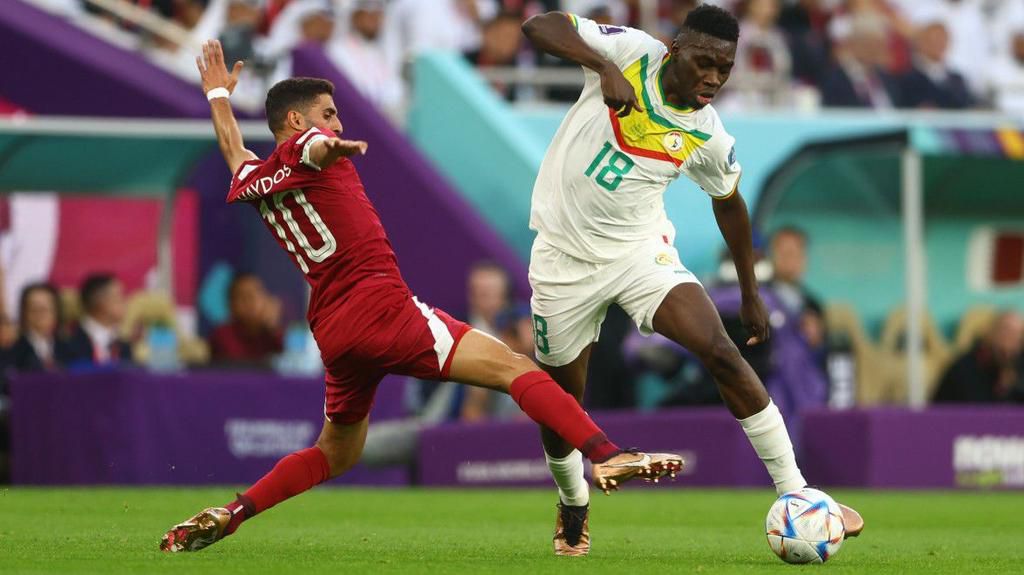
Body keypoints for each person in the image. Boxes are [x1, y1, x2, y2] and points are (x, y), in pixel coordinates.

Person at [160, 40, 682, 553]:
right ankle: (608, 453)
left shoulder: (257, 177)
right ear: (296, 122)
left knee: (336, 453)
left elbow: (234, 152)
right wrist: (330, 148)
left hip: (334, 329)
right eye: (328, 113)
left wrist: (218, 98)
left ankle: (234, 513)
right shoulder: (306, 147)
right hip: (380, 307)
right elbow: (313, 147)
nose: (339, 124)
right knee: (514, 367)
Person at [520, 5, 863, 556]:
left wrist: (752, 292)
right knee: (561, 401)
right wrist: (600, 66)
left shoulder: (708, 135)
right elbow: (539, 26)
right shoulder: (630, 52)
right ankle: (573, 499)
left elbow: (730, 204)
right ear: (675, 50)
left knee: (721, 350)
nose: (713, 78)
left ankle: (797, 492)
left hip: (639, 253)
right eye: (704, 62)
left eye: (724, 70)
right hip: (563, 258)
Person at [934, 311, 1024, 404]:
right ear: (990, 333)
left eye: (1017, 335)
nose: (1009, 340)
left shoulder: (1019, 368)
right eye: (1005, 332)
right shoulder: (964, 369)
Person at [208, 273, 284, 368]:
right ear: (231, 304)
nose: (250, 301)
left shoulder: (273, 333)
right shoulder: (222, 335)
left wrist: (273, 328)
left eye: (255, 294)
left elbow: (291, 364)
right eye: (243, 296)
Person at [66, 273, 132, 367]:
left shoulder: (124, 345)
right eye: (119, 296)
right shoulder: (69, 341)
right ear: (100, 302)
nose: (124, 302)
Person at [8, 283, 75, 372]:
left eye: (45, 309)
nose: (40, 315)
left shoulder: (70, 348)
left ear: (56, 311)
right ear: (24, 312)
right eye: (34, 309)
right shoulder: (11, 350)